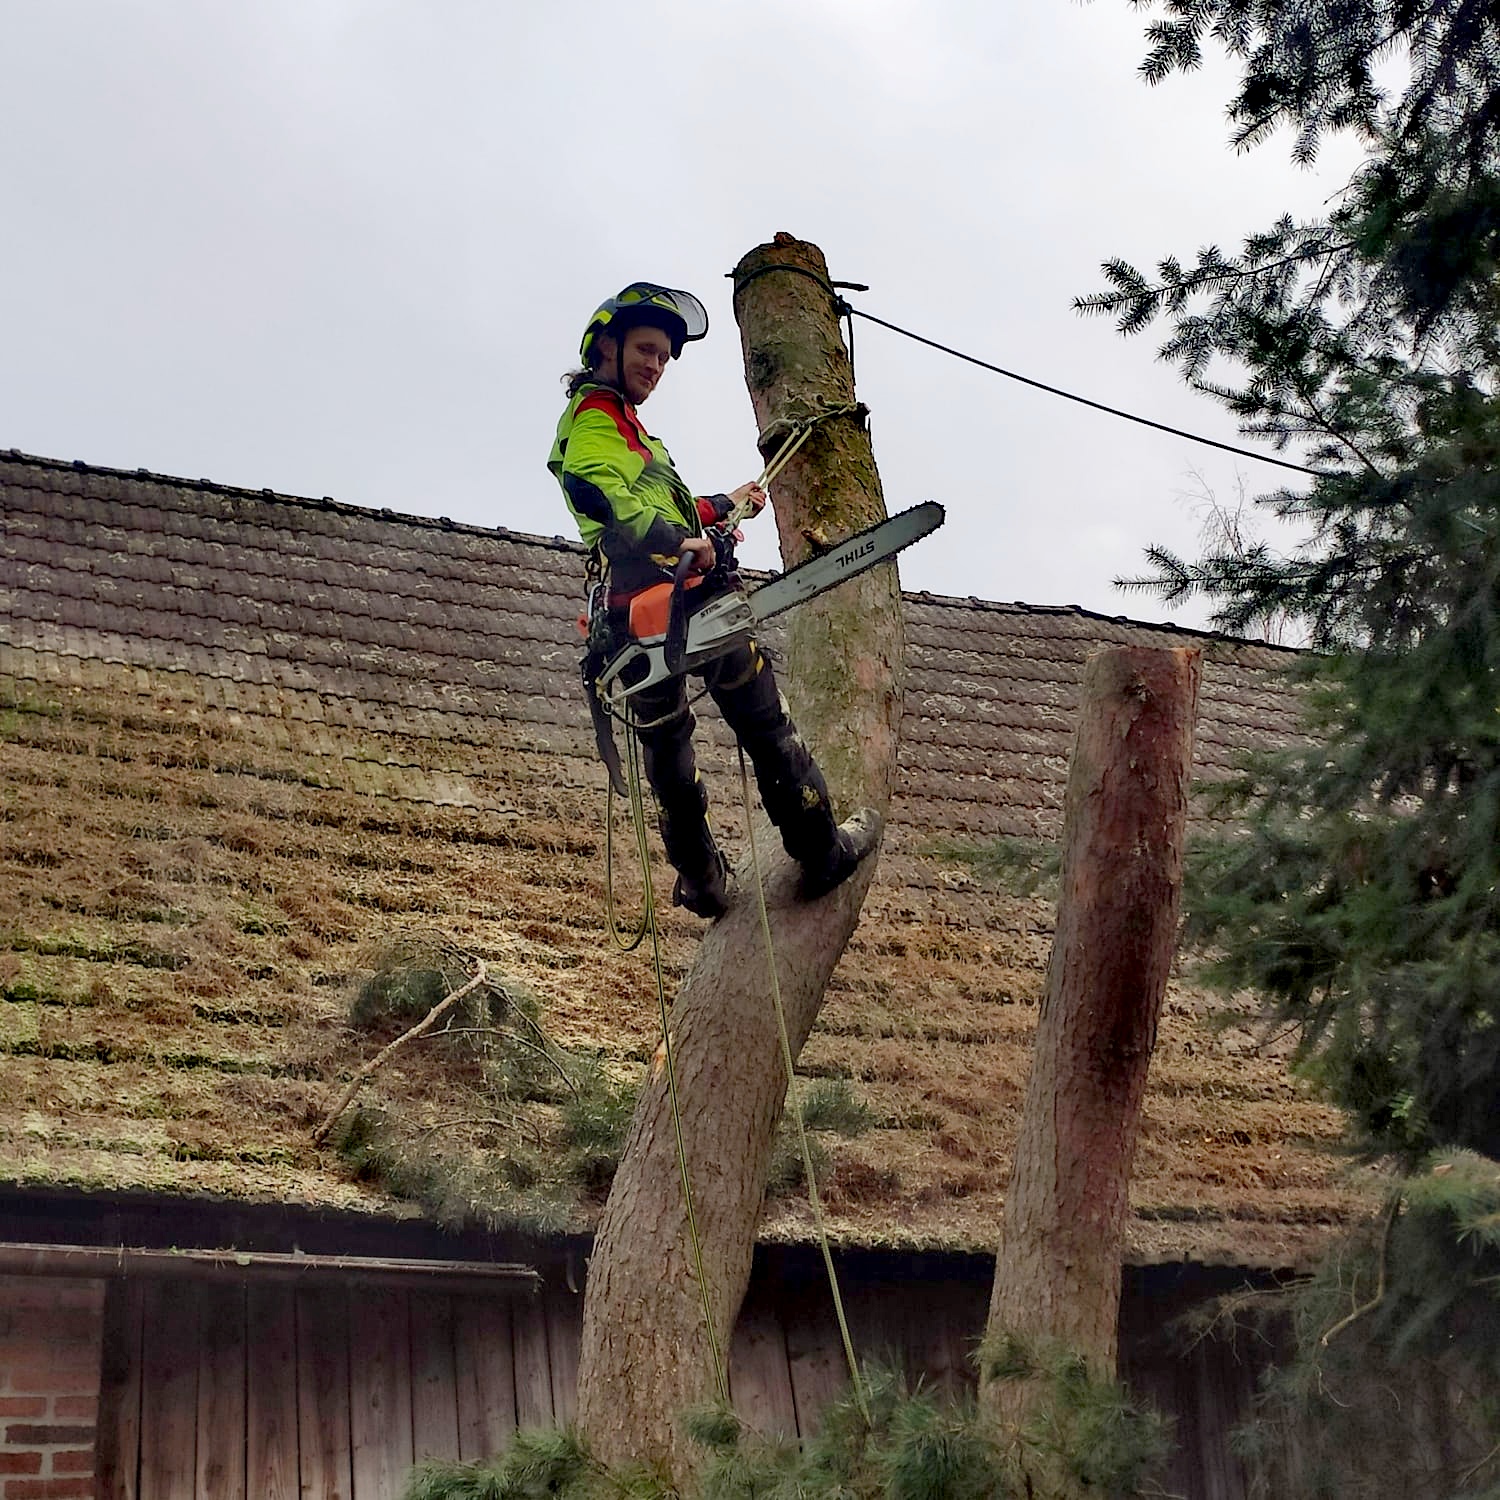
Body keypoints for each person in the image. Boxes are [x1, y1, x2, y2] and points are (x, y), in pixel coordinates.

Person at [548, 281, 873, 919]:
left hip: (630, 620)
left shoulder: (627, 431)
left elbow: (660, 505)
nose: (655, 365)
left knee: (668, 751)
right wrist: (681, 542)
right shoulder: (595, 422)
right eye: (645, 349)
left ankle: (702, 880)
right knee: (765, 723)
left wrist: (725, 505)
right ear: (606, 347)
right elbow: (603, 498)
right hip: (680, 607)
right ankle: (820, 850)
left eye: (664, 357)